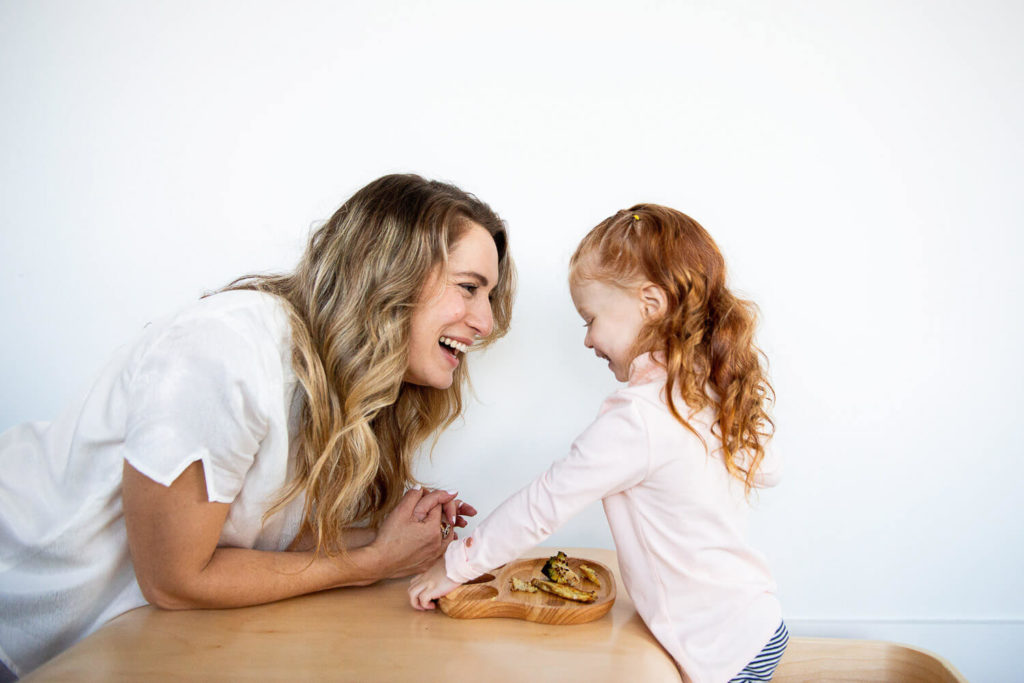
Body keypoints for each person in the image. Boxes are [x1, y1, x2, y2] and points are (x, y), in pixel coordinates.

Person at [0, 173, 516, 680]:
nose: (486, 322)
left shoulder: (340, 386)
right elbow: (174, 581)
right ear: (389, 275)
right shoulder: (227, 350)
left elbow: (252, 538)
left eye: (488, 296)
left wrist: (382, 538)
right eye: (469, 288)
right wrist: (371, 562)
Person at [409, 204, 787, 683]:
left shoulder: (641, 417)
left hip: (718, 652)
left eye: (590, 318)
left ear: (650, 305)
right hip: (758, 624)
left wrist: (456, 566)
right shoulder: (702, 392)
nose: (588, 340)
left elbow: (545, 502)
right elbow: (769, 470)